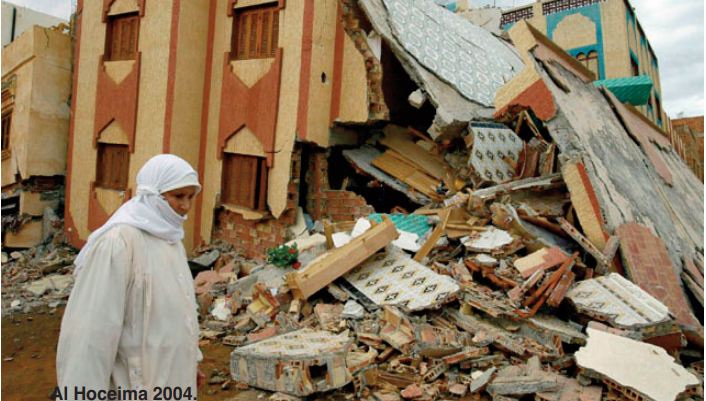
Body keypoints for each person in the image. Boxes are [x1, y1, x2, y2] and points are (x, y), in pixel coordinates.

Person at [56, 154, 205, 400]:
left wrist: (189, 364)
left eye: (191, 197)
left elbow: (181, 316)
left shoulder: (171, 241)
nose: (186, 206)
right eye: (178, 196)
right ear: (152, 194)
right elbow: (89, 336)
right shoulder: (118, 244)